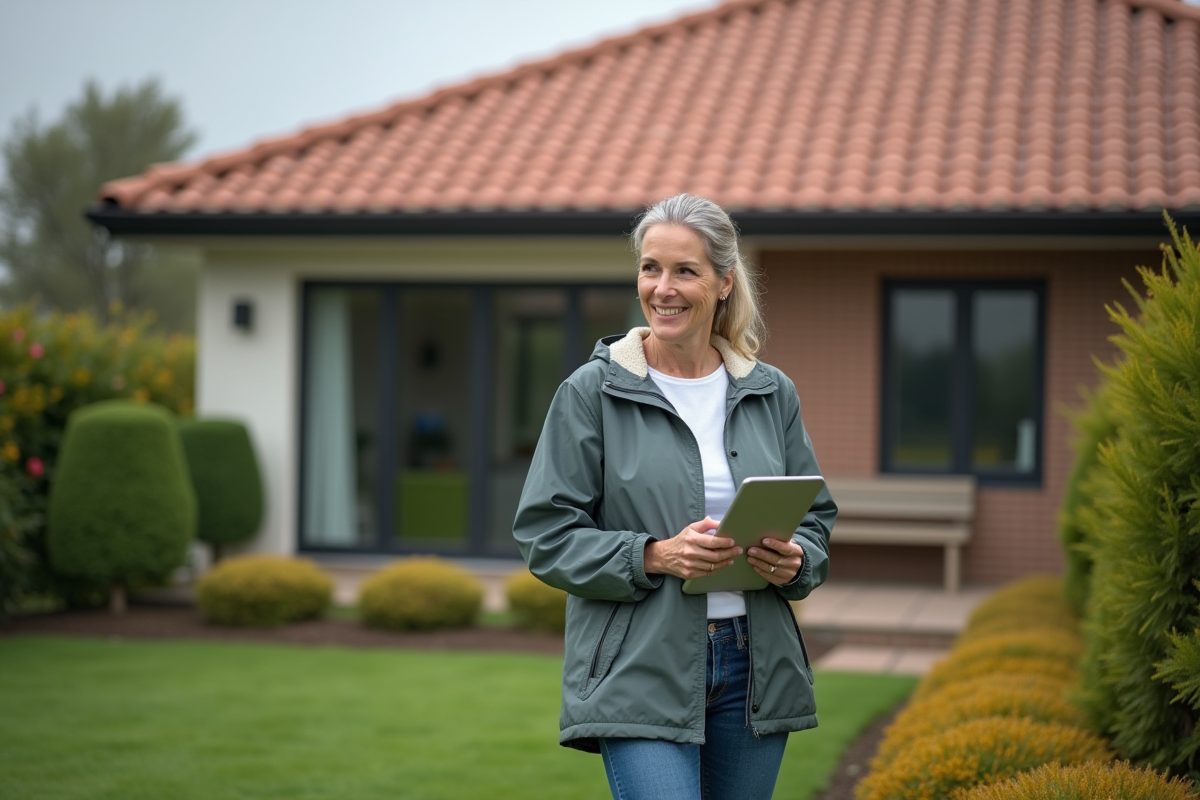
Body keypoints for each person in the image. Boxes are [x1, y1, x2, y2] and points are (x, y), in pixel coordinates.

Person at [513, 193, 837, 800]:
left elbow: (815, 517)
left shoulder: (771, 392)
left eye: (685, 270)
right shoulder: (593, 392)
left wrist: (798, 560)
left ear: (722, 283)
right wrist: (654, 556)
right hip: (638, 662)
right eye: (650, 267)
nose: (663, 287)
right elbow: (544, 534)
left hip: (754, 667)